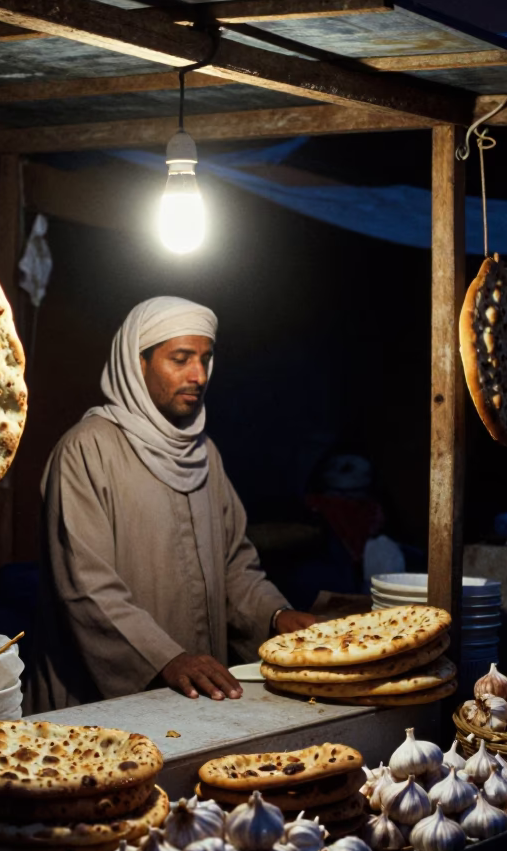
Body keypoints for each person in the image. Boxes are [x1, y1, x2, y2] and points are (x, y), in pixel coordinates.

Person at [26, 296, 315, 712]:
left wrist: (276, 615)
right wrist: (165, 658)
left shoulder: (204, 454)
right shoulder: (87, 451)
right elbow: (86, 589)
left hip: (194, 695)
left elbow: (234, 565)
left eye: (205, 359)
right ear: (136, 364)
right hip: (97, 710)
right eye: (180, 359)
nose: (198, 375)